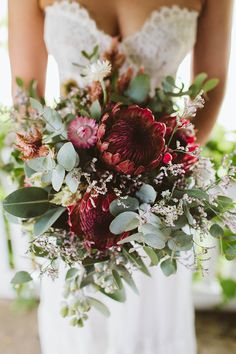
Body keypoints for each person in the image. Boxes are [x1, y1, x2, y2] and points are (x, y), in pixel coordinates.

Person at [8, 1, 234, 353]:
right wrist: (67, 178)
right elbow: (25, 94)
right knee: (78, 326)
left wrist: (167, 171)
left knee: (154, 322)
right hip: (74, 194)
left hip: (161, 198)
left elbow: (212, 86)